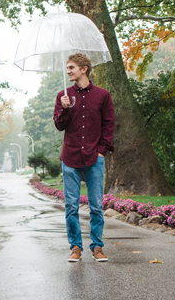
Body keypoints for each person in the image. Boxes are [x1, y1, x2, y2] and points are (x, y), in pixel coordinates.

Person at [53, 53, 115, 263]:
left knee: (96, 205)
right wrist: (65, 109)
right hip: (70, 156)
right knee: (71, 205)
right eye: (67, 68)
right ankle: (75, 247)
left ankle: (97, 246)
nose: (68, 71)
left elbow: (108, 124)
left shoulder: (103, 95)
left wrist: (101, 151)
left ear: (84, 69)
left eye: (71, 67)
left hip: (93, 157)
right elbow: (60, 125)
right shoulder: (63, 95)